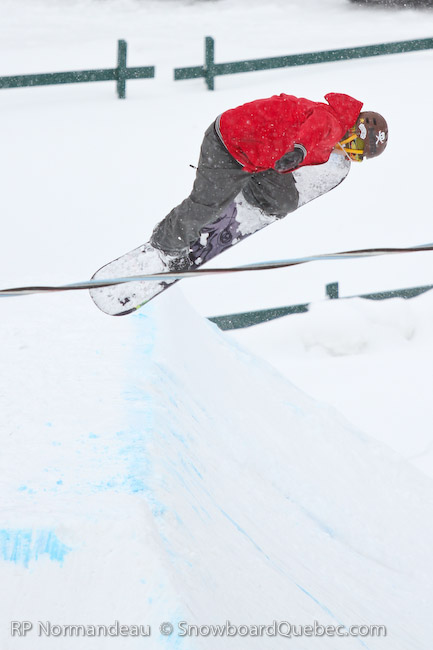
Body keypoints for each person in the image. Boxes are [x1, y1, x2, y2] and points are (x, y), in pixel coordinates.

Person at [146, 92, 388, 272]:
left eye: (357, 157)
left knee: (283, 201)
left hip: (266, 157)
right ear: (354, 133)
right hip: (228, 145)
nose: (349, 156)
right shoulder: (331, 123)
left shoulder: (331, 131)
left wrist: (296, 154)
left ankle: (250, 189)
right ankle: (167, 245)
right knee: (207, 206)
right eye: (355, 150)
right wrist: (300, 151)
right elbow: (315, 129)